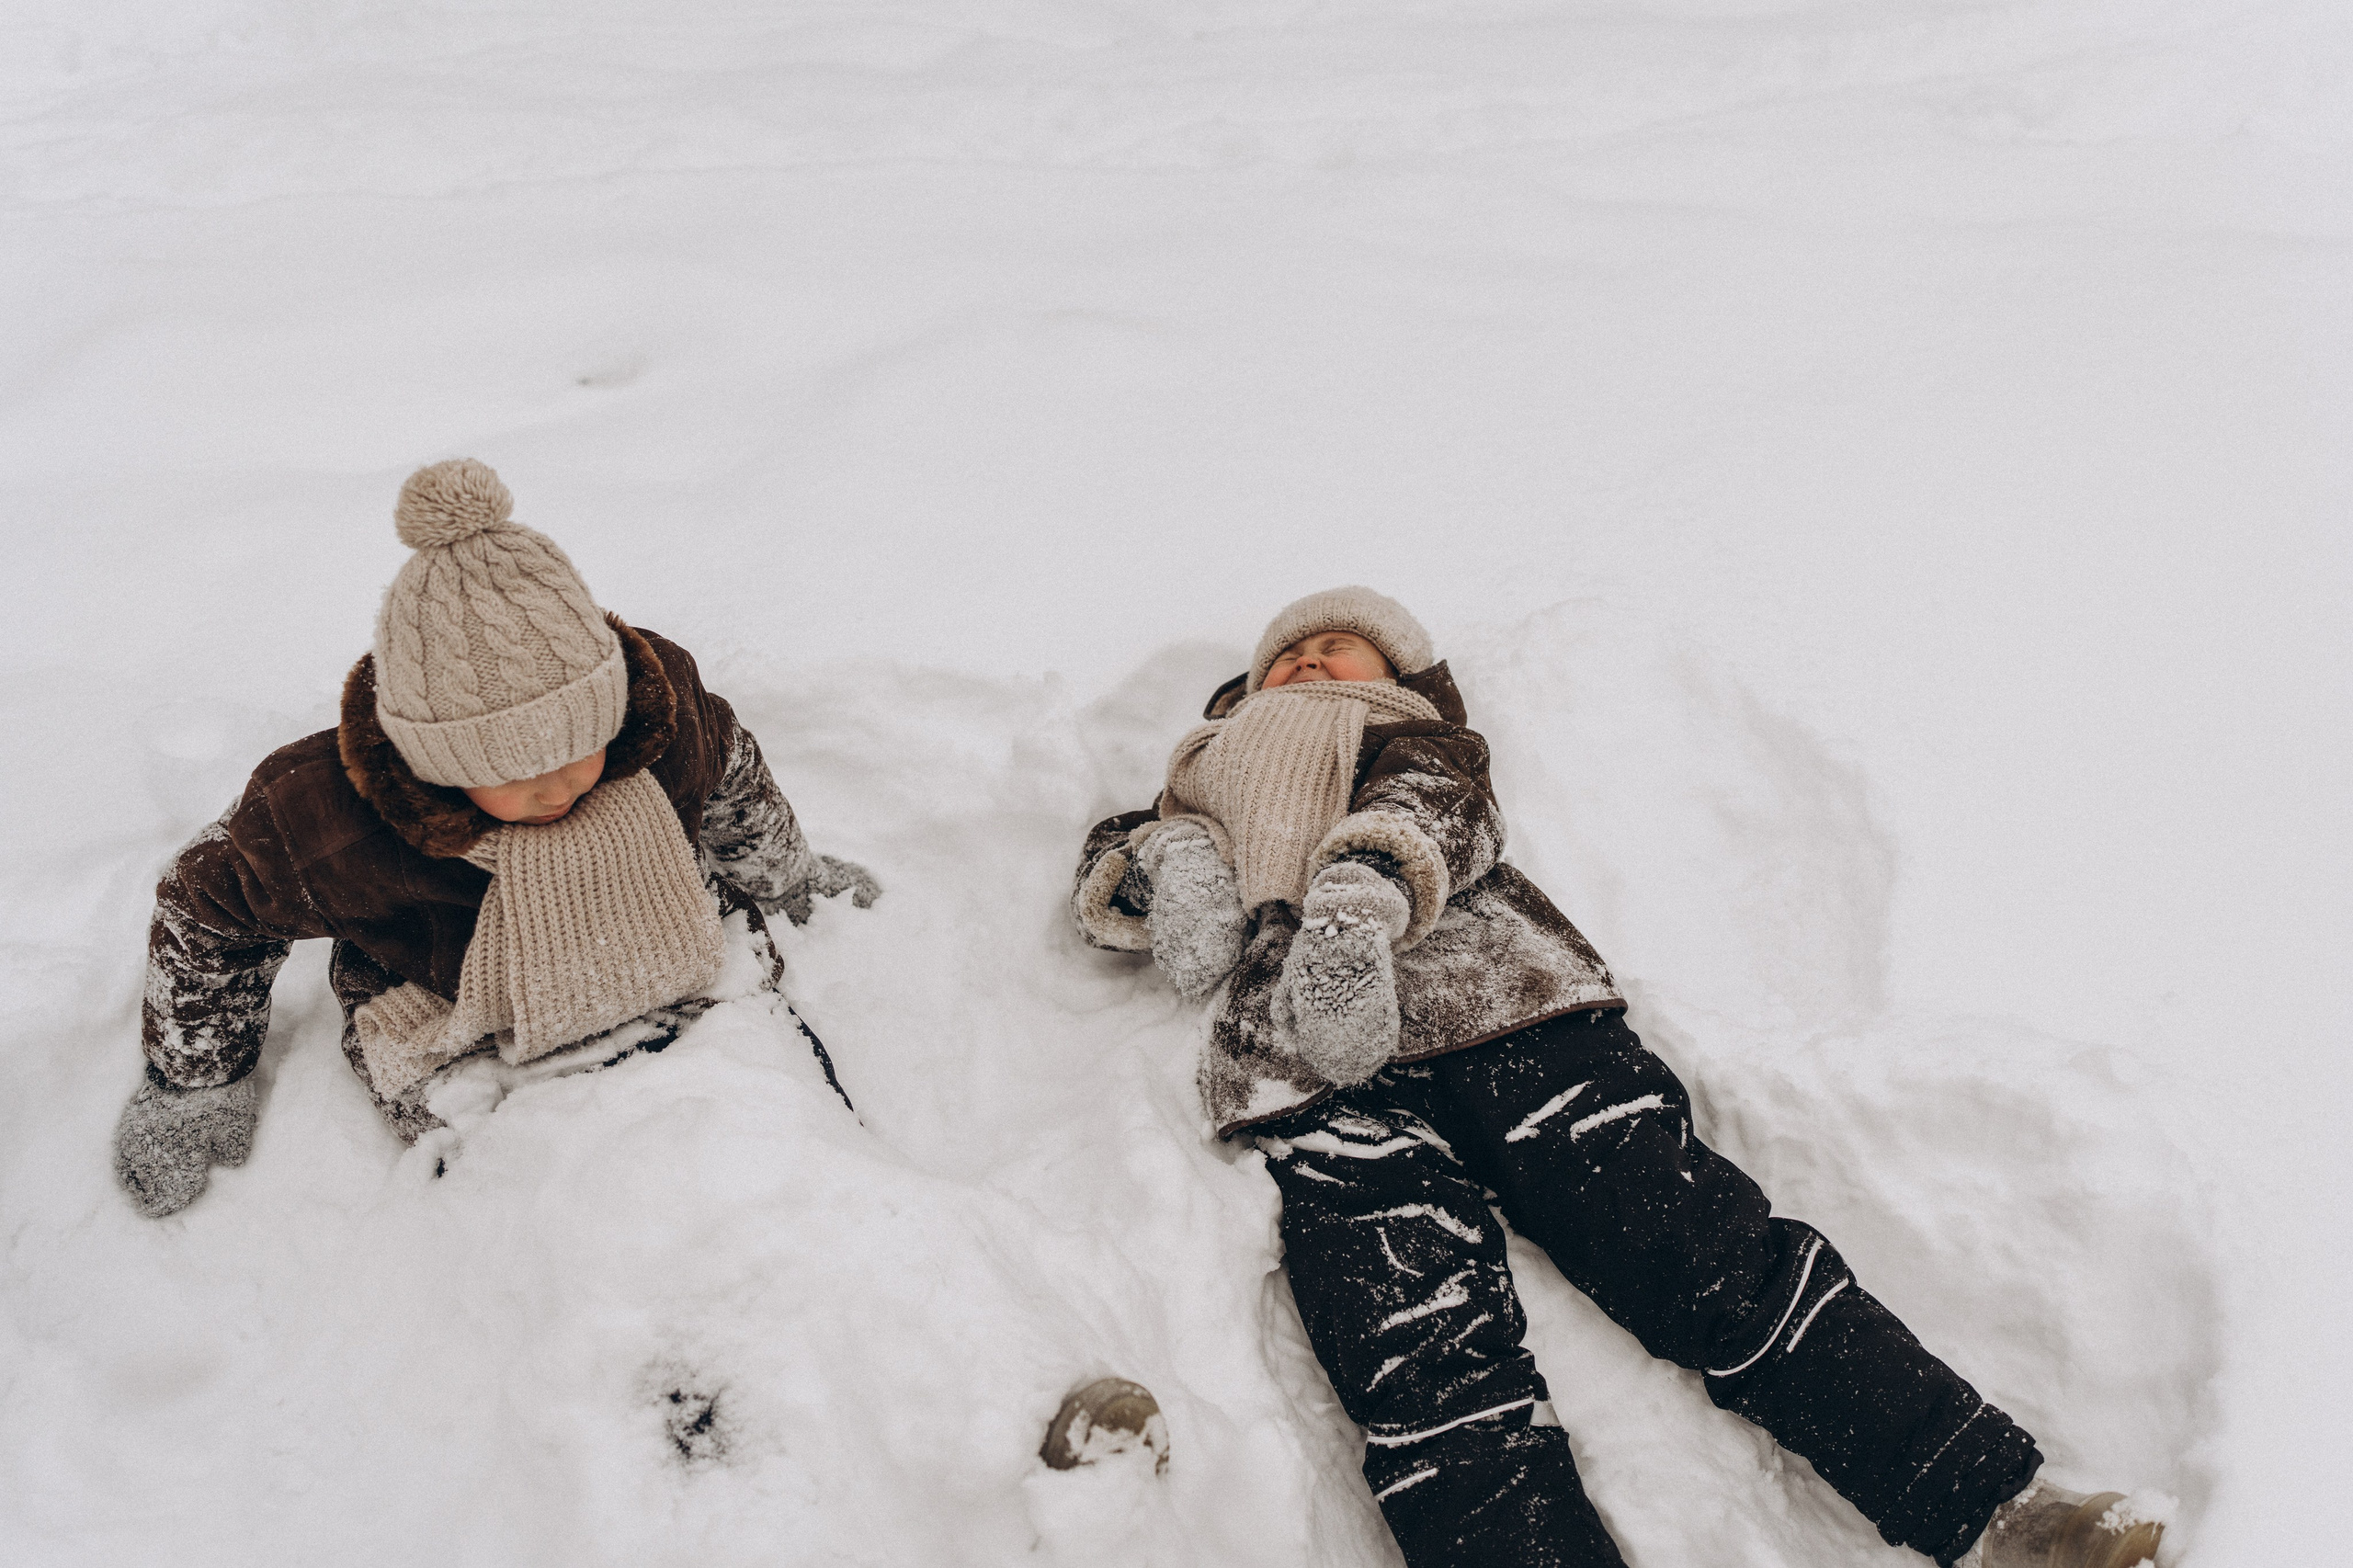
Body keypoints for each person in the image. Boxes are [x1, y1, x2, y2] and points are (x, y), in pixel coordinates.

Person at [1067, 585, 2163, 1568]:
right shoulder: (1192, 780)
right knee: (1421, 1369)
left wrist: (1359, 893)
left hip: (1504, 1008)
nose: (1307, 662)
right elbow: (1110, 883)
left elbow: (1438, 812)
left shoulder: (1413, 737)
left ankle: (2001, 1511)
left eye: (1337, 646)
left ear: (1396, 676)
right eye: (1285, 656)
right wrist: (1169, 861)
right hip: (1311, 1071)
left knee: (1710, 1260)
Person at [116, 459, 877, 1217]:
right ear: (435, 763)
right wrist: (197, 1081)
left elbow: (733, 778)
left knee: (771, 1159)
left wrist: (789, 880)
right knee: (554, 1207)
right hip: (458, 1015)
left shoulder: (661, 721)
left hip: (676, 947)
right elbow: (206, 909)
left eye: (582, 750)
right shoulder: (332, 822)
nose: (556, 789)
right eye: (508, 772)